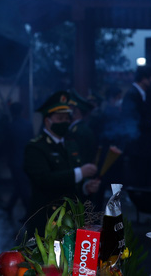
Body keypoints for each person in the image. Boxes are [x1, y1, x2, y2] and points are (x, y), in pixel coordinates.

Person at [23, 91, 100, 236]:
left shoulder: (71, 145)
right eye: (59, 118)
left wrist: (85, 187)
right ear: (47, 121)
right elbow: (44, 180)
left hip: (71, 219)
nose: (64, 122)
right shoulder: (36, 147)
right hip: (47, 219)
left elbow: (74, 184)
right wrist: (79, 173)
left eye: (66, 118)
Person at [121, 65, 151, 186]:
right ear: (144, 79)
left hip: (143, 146)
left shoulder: (142, 94)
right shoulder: (132, 95)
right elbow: (132, 122)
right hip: (137, 146)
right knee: (137, 179)